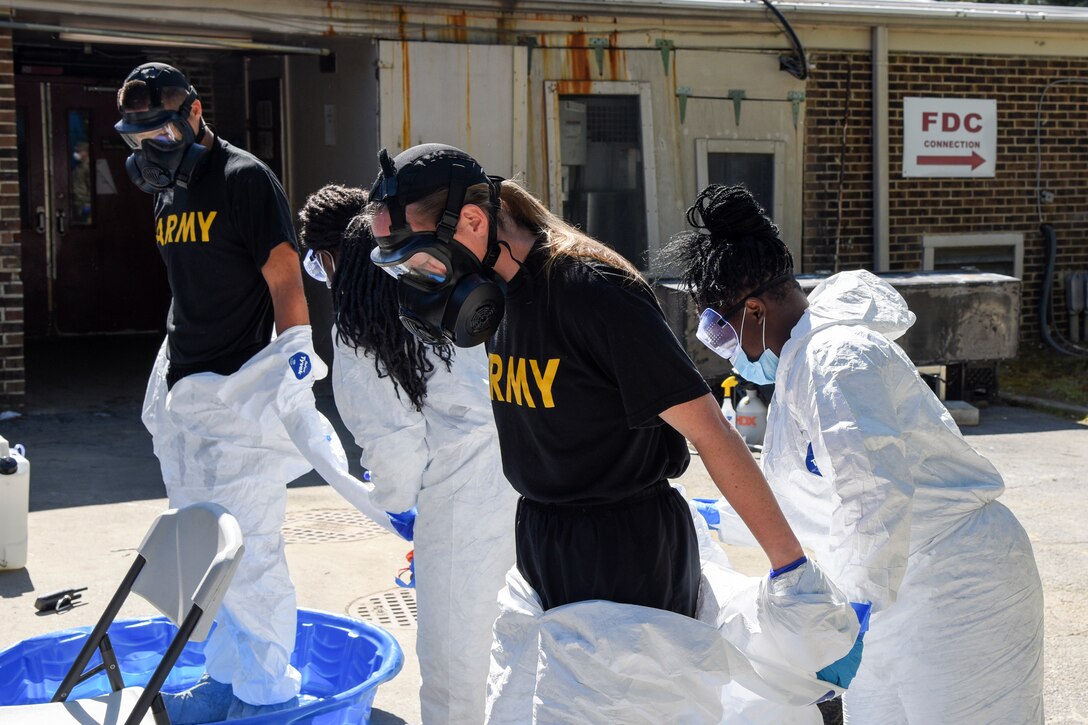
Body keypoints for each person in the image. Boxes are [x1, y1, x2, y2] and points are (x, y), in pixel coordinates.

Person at [363, 144, 865, 721]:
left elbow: (710, 432)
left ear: (474, 222)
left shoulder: (589, 290)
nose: (422, 284)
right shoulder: (503, 296)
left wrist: (791, 572)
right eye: (400, 270)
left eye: (423, 262)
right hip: (545, 543)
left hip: (626, 553)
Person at [666, 183, 1045, 724]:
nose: (722, 347)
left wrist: (857, 612)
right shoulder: (804, 363)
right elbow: (818, 502)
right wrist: (717, 519)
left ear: (752, 309)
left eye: (717, 328)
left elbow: (876, 493)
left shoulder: (839, 356)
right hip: (893, 587)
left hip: (958, 583)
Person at [115, 63, 382, 723]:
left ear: (198, 114)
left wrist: (291, 369)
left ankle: (269, 694)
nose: (150, 147)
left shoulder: (243, 180)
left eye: (162, 129)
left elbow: (285, 281)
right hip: (189, 395)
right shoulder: (166, 191)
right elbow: (191, 288)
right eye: (137, 136)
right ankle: (226, 679)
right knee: (208, 554)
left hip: (242, 397)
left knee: (252, 554)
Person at [297, 184, 518, 723]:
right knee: (515, 638)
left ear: (329, 259)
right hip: (526, 479)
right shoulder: (433, 284)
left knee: (454, 665)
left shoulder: (359, 329)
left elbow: (393, 445)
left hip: (457, 507)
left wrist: (398, 504)